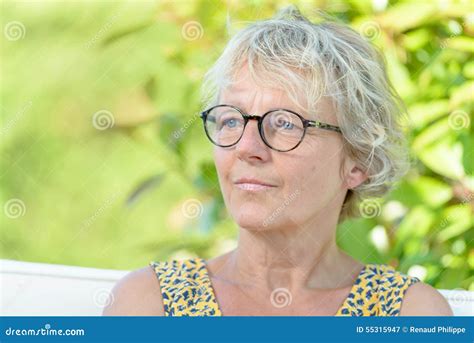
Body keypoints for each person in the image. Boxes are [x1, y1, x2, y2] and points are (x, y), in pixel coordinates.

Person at [103, 5, 453, 316]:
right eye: (231, 120)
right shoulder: (150, 304)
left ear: (358, 160)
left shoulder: (409, 314)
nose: (247, 146)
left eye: (286, 123)